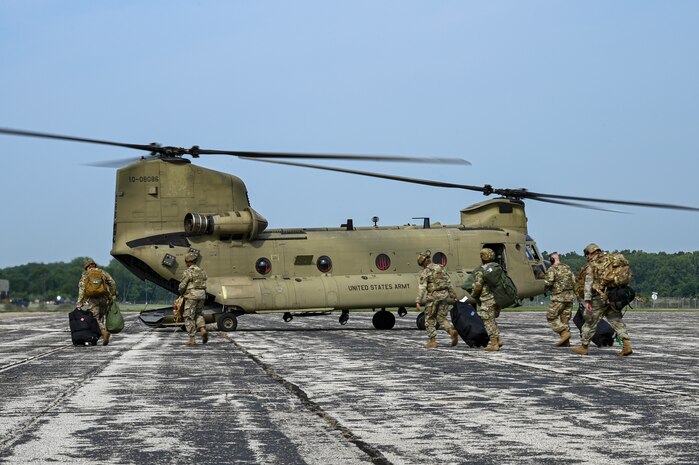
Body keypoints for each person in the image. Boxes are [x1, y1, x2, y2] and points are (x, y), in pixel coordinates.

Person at [572, 243, 633, 356]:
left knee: (589, 322)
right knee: (616, 321)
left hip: (598, 299)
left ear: (593, 253)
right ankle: (626, 345)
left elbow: (588, 285)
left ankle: (584, 347)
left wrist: (587, 301)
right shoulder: (611, 261)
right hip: (612, 297)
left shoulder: (593, 266)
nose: (587, 257)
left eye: (588, 254)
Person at [415, 251, 459, 349]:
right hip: (444, 296)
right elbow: (448, 283)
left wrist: (418, 301)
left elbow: (422, 287)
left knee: (429, 319)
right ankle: (451, 331)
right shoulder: (441, 268)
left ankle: (432, 342)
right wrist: (453, 295)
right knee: (442, 318)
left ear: (423, 262)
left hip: (433, 298)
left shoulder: (426, 271)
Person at [76, 258, 117, 346]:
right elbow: (112, 283)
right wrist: (112, 295)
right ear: (94, 265)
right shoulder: (102, 272)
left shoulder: (86, 274)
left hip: (93, 299)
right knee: (101, 317)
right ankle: (98, 337)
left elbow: (82, 289)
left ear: (86, 267)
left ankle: (104, 332)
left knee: (95, 318)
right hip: (104, 298)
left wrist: (79, 303)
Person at [470, 248, 502, 352]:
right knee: (492, 320)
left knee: (488, 321)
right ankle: (498, 340)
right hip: (497, 298)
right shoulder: (496, 268)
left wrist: (473, 294)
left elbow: (478, 286)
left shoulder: (482, 271)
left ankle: (494, 344)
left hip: (487, 299)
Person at [544, 251, 575, 346]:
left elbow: (548, 283)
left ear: (551, 260)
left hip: (559, 298)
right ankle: (566, 342)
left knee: (551, 317)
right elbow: (574, 281)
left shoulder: (552, 269)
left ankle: (564, 333)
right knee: (565, 319)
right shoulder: (567, 268)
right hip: (570, 297)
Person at [179, 252, 208, 346]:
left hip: (192, 295)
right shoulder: (202, 271)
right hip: (202, 294)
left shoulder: (188, 271)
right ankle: (202, 329)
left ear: (188, 261)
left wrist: (181, 292)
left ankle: (192, 339)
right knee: (198, 314)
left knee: (188, 316)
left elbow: (182, 285)